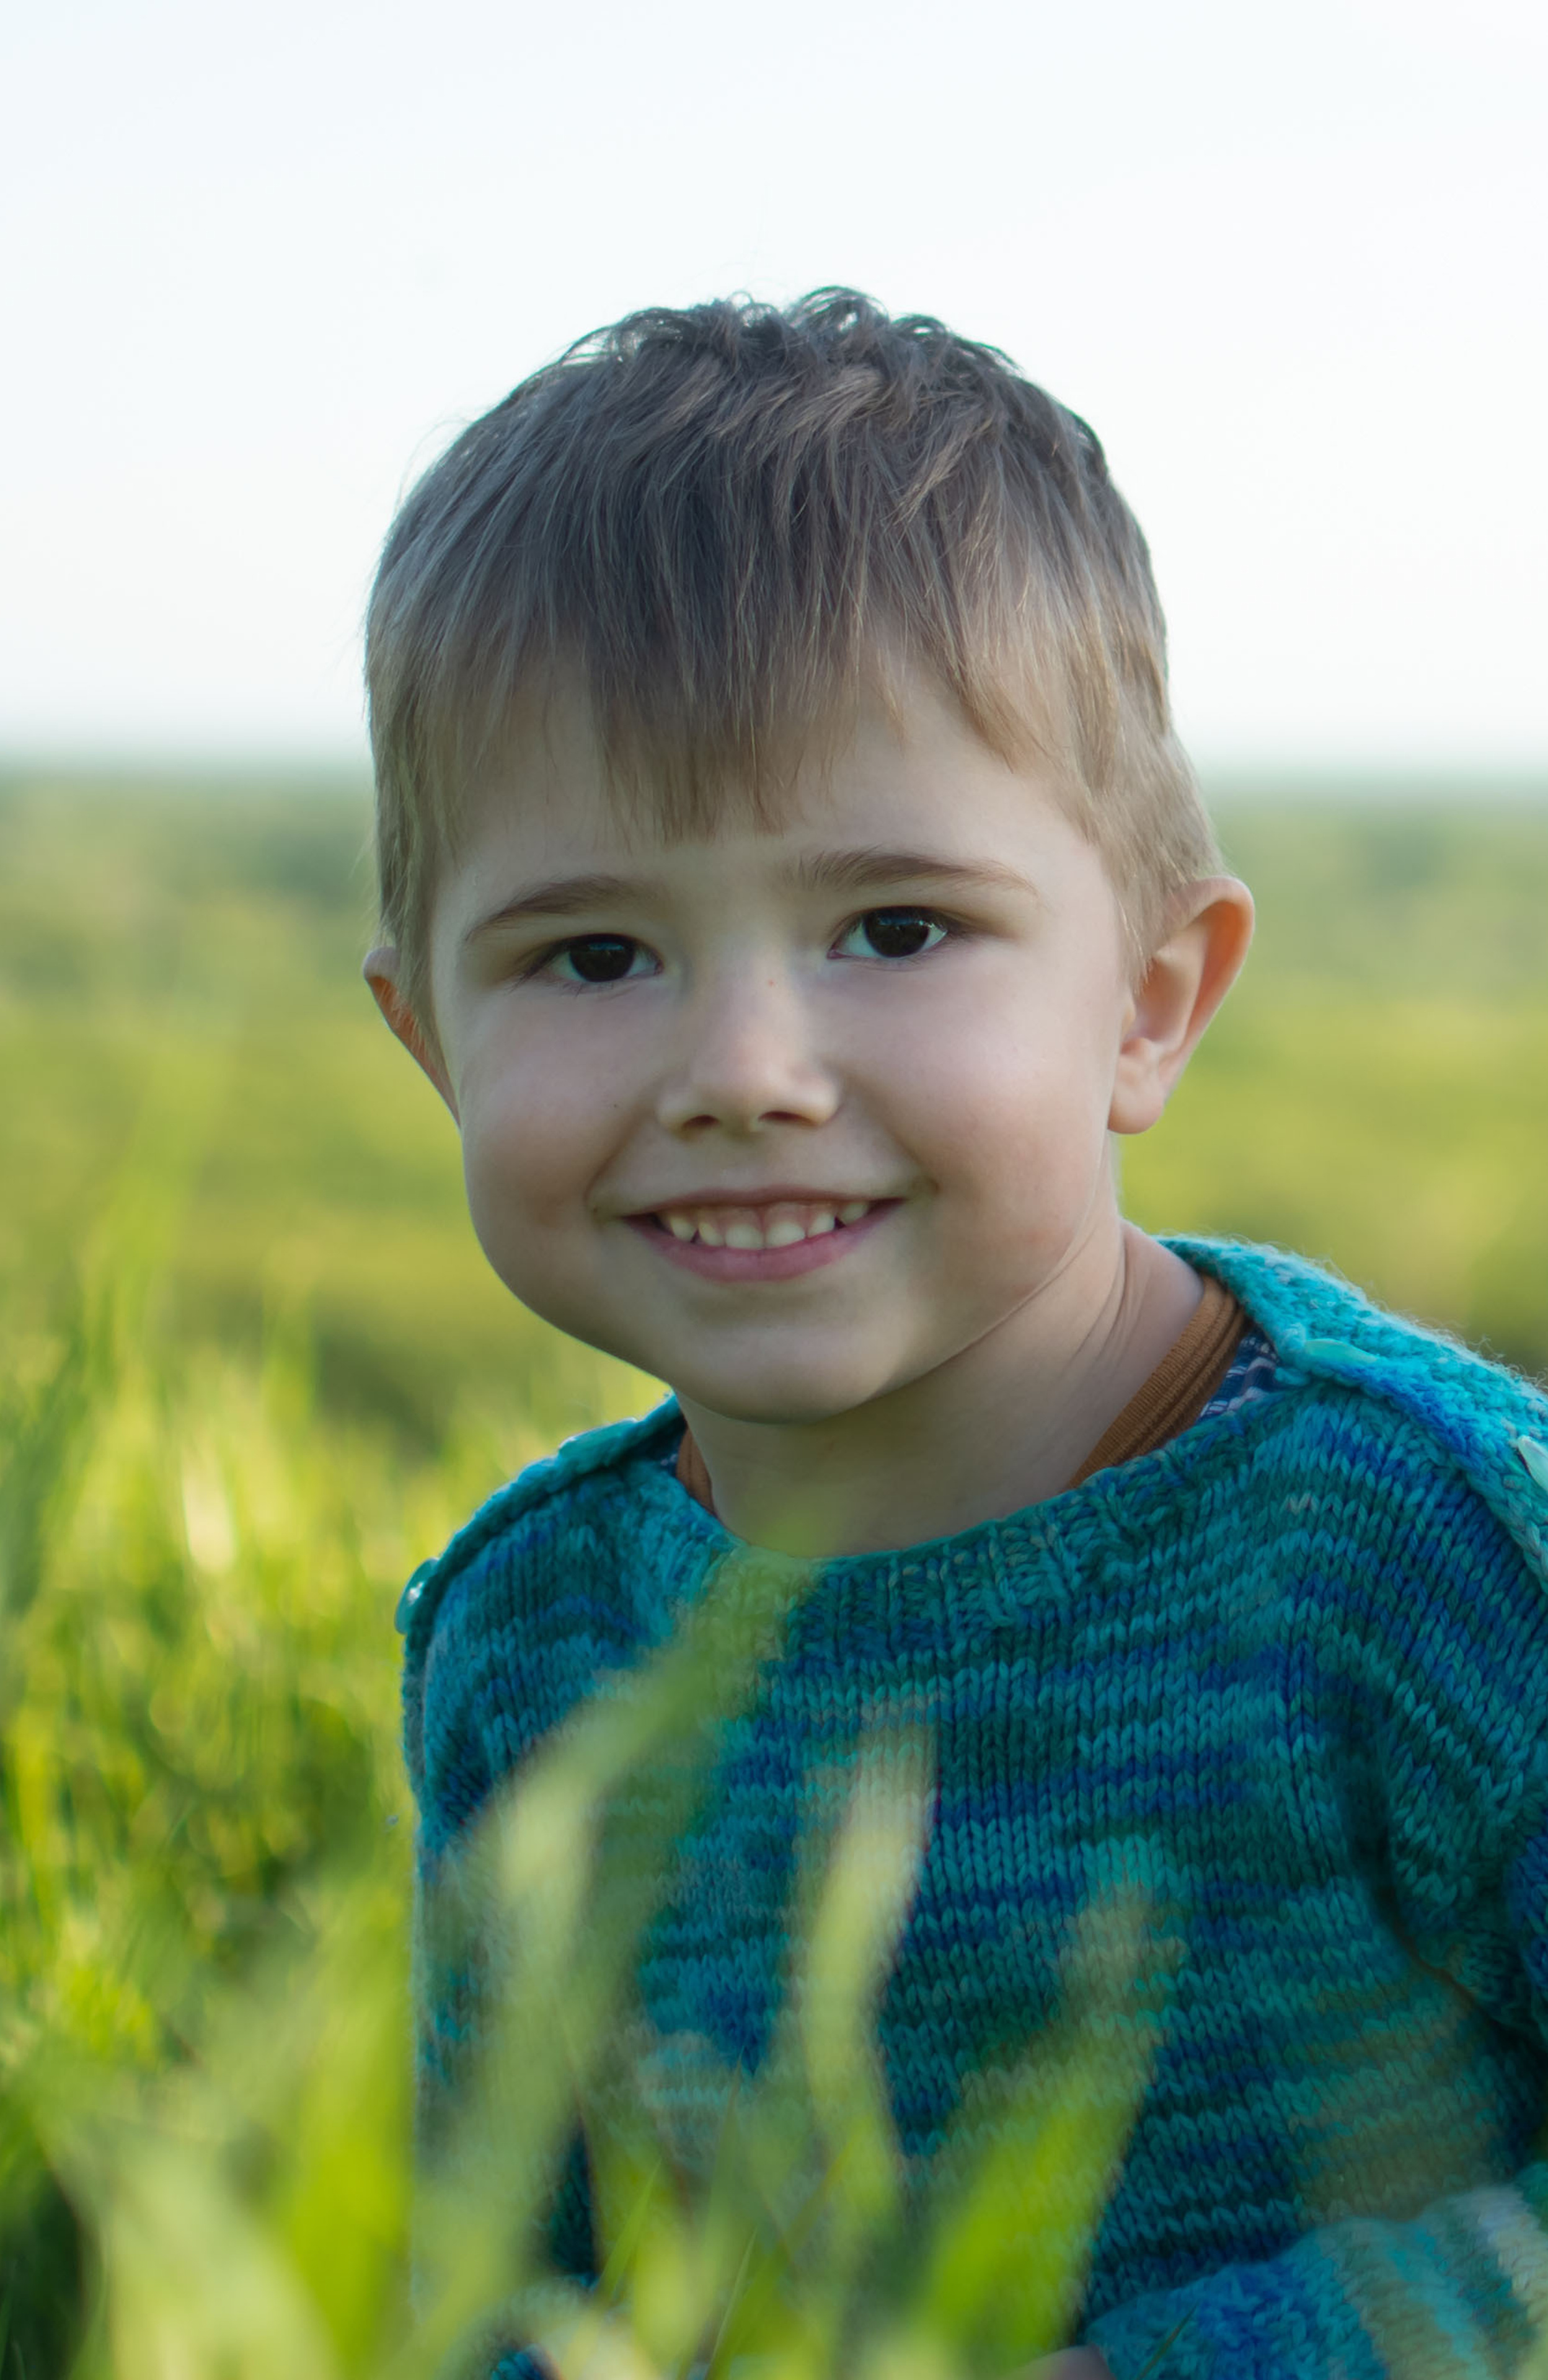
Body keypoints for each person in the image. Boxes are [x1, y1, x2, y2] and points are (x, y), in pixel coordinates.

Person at [362, 290, 1548, 2379]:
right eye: (595, 952)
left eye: (895, 930)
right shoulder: (531, 1643)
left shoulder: (1432, 1552)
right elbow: (506, 2286)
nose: (745, 1066)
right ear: (427, 1039)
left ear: (1152, 999)